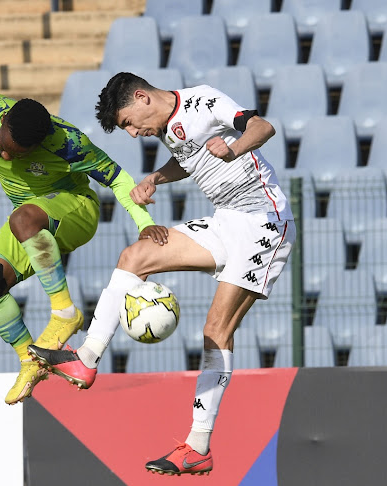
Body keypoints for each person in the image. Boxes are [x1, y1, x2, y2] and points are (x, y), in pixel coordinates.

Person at [27, 72, 295, 475]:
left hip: (263, 223)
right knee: (135, 256)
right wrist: (155, 178)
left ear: (141, 97)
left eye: (129, 123)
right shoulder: (167, 127)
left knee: (216, 330)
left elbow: (262, 126)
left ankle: (198, 445)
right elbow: (188, 159)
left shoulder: (203, 102)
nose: (134, 134)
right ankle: (86, 358)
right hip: (227, 221)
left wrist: (235, 147)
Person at [0, 95, 168, 405]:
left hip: (76, 208)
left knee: (23, 218)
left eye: (16, 153)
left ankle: (65, 313)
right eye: (2, 144)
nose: (4, 154)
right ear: (4, 121)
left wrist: (144, 223)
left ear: (38, 147)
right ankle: (30, 361)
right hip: (30, 217)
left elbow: (117, 177)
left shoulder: (68, 144)